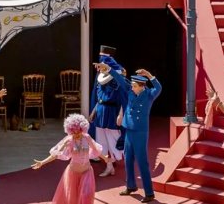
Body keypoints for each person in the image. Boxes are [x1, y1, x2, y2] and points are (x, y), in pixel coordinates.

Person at [106, 65, 161, 203]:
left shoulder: (149, 95)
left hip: (140, 132)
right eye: (132, 85)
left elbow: (159, 87)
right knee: (128, 159)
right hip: (129, 129)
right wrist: (109, 69)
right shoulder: (130, 92)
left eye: (134, 86)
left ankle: (149, 193)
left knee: (142, 162)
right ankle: (131, 186)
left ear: (142, 86)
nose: (132, 87)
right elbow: (120, 80)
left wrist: (148, 74)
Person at [31, 114, 110, 204]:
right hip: (73, 173)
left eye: (78, 132)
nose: (76, 134)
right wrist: (42, 162)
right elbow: (55, 155)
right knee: (73, 198)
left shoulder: (87, 138)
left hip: (87, 172)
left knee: (86, 194)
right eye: (73, 132)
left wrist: (105, 158)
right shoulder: (69, 140)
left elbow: (96, 149)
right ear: (70, 131)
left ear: (82, 129)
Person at [89, 46, 125, 176]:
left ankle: (122, 162)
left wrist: (120, 114)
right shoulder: (100, 77)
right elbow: (99, 97)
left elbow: (124, 97)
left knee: (114, 139)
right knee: (101, 140)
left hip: (111, 111)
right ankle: (109, 165)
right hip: (100, 111)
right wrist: (94, 111)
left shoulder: (118, 77)